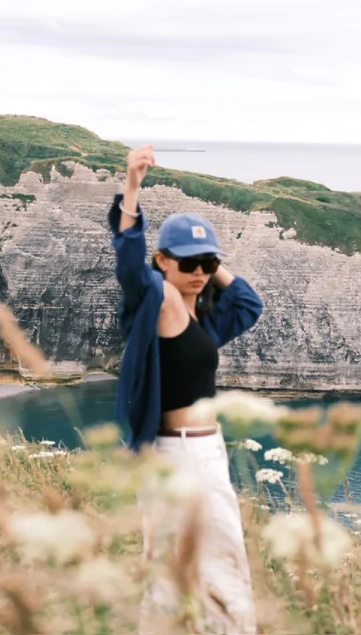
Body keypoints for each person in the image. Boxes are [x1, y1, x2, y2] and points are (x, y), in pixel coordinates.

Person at [110, 144, 264, 635]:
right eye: (188, 262)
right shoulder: (158, 301)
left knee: (193, 561)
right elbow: (132, 267)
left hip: (204, 452)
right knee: (211, 561)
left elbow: (248, 305)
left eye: (207, 262)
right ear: (163, 260)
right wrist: (132, 189)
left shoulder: (200, 318)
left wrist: (209, 262)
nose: (198, 271)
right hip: (179, 456)